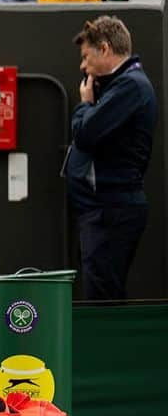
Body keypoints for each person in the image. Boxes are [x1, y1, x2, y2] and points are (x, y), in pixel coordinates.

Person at [66, 16, 156, 300]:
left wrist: (85, 106)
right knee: (101, 291)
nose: (83, 66)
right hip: (102, 211)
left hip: (111, 210)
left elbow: (86, 134)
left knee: (102, 299)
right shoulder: (120, 85)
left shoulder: (131, 86)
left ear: (104, 49)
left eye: (85, 56)